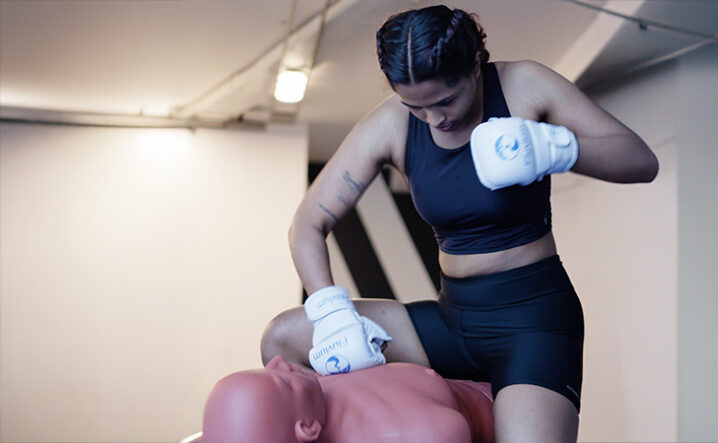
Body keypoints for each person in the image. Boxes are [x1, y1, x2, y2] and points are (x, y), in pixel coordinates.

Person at [260, 5, 658, 442]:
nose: (435, 119)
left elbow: (641, 159)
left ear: (474, 66)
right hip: (452, 322)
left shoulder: (524, 85)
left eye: (445, 100)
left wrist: (555, 149)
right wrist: (330, 312)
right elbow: (308, 222)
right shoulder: (391, 124)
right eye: (416, 106)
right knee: (283, 337)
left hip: (533, 323)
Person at [200, 355, 495, 442]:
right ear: (307, 428)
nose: (279, 361)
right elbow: (447, 431)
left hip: (469, 376)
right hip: (500, 411)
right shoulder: (398, 433)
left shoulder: (315, 393)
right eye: (282, 380)